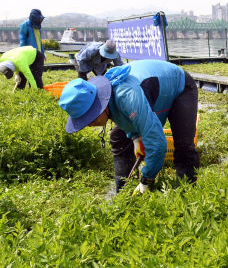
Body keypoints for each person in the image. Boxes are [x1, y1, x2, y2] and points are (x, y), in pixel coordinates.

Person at [58, 60, 200, 194]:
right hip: (147, 91)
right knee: (118, 138)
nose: (89, 124)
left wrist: (147, 180)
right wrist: (136, 137)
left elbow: (157, 141)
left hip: (178, 85)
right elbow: (121, 115)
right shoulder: (109, 99)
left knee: (183, 145)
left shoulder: (127, 95)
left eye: (91, 118)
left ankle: (186, 195)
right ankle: (124, 193)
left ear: (99, 105)